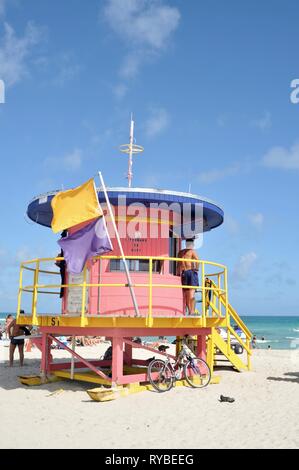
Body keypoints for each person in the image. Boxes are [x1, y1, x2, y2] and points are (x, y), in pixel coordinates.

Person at [177, 239, 199, 315]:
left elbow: (178, 264)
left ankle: (189, 311)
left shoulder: (180, 252)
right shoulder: (192, 251)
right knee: (191, 294)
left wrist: (177, 273)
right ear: (192, 244)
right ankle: (191, 312)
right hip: (191, 272)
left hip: (183, 273)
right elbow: (197, 259)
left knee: (186, 294)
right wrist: (196, 268)